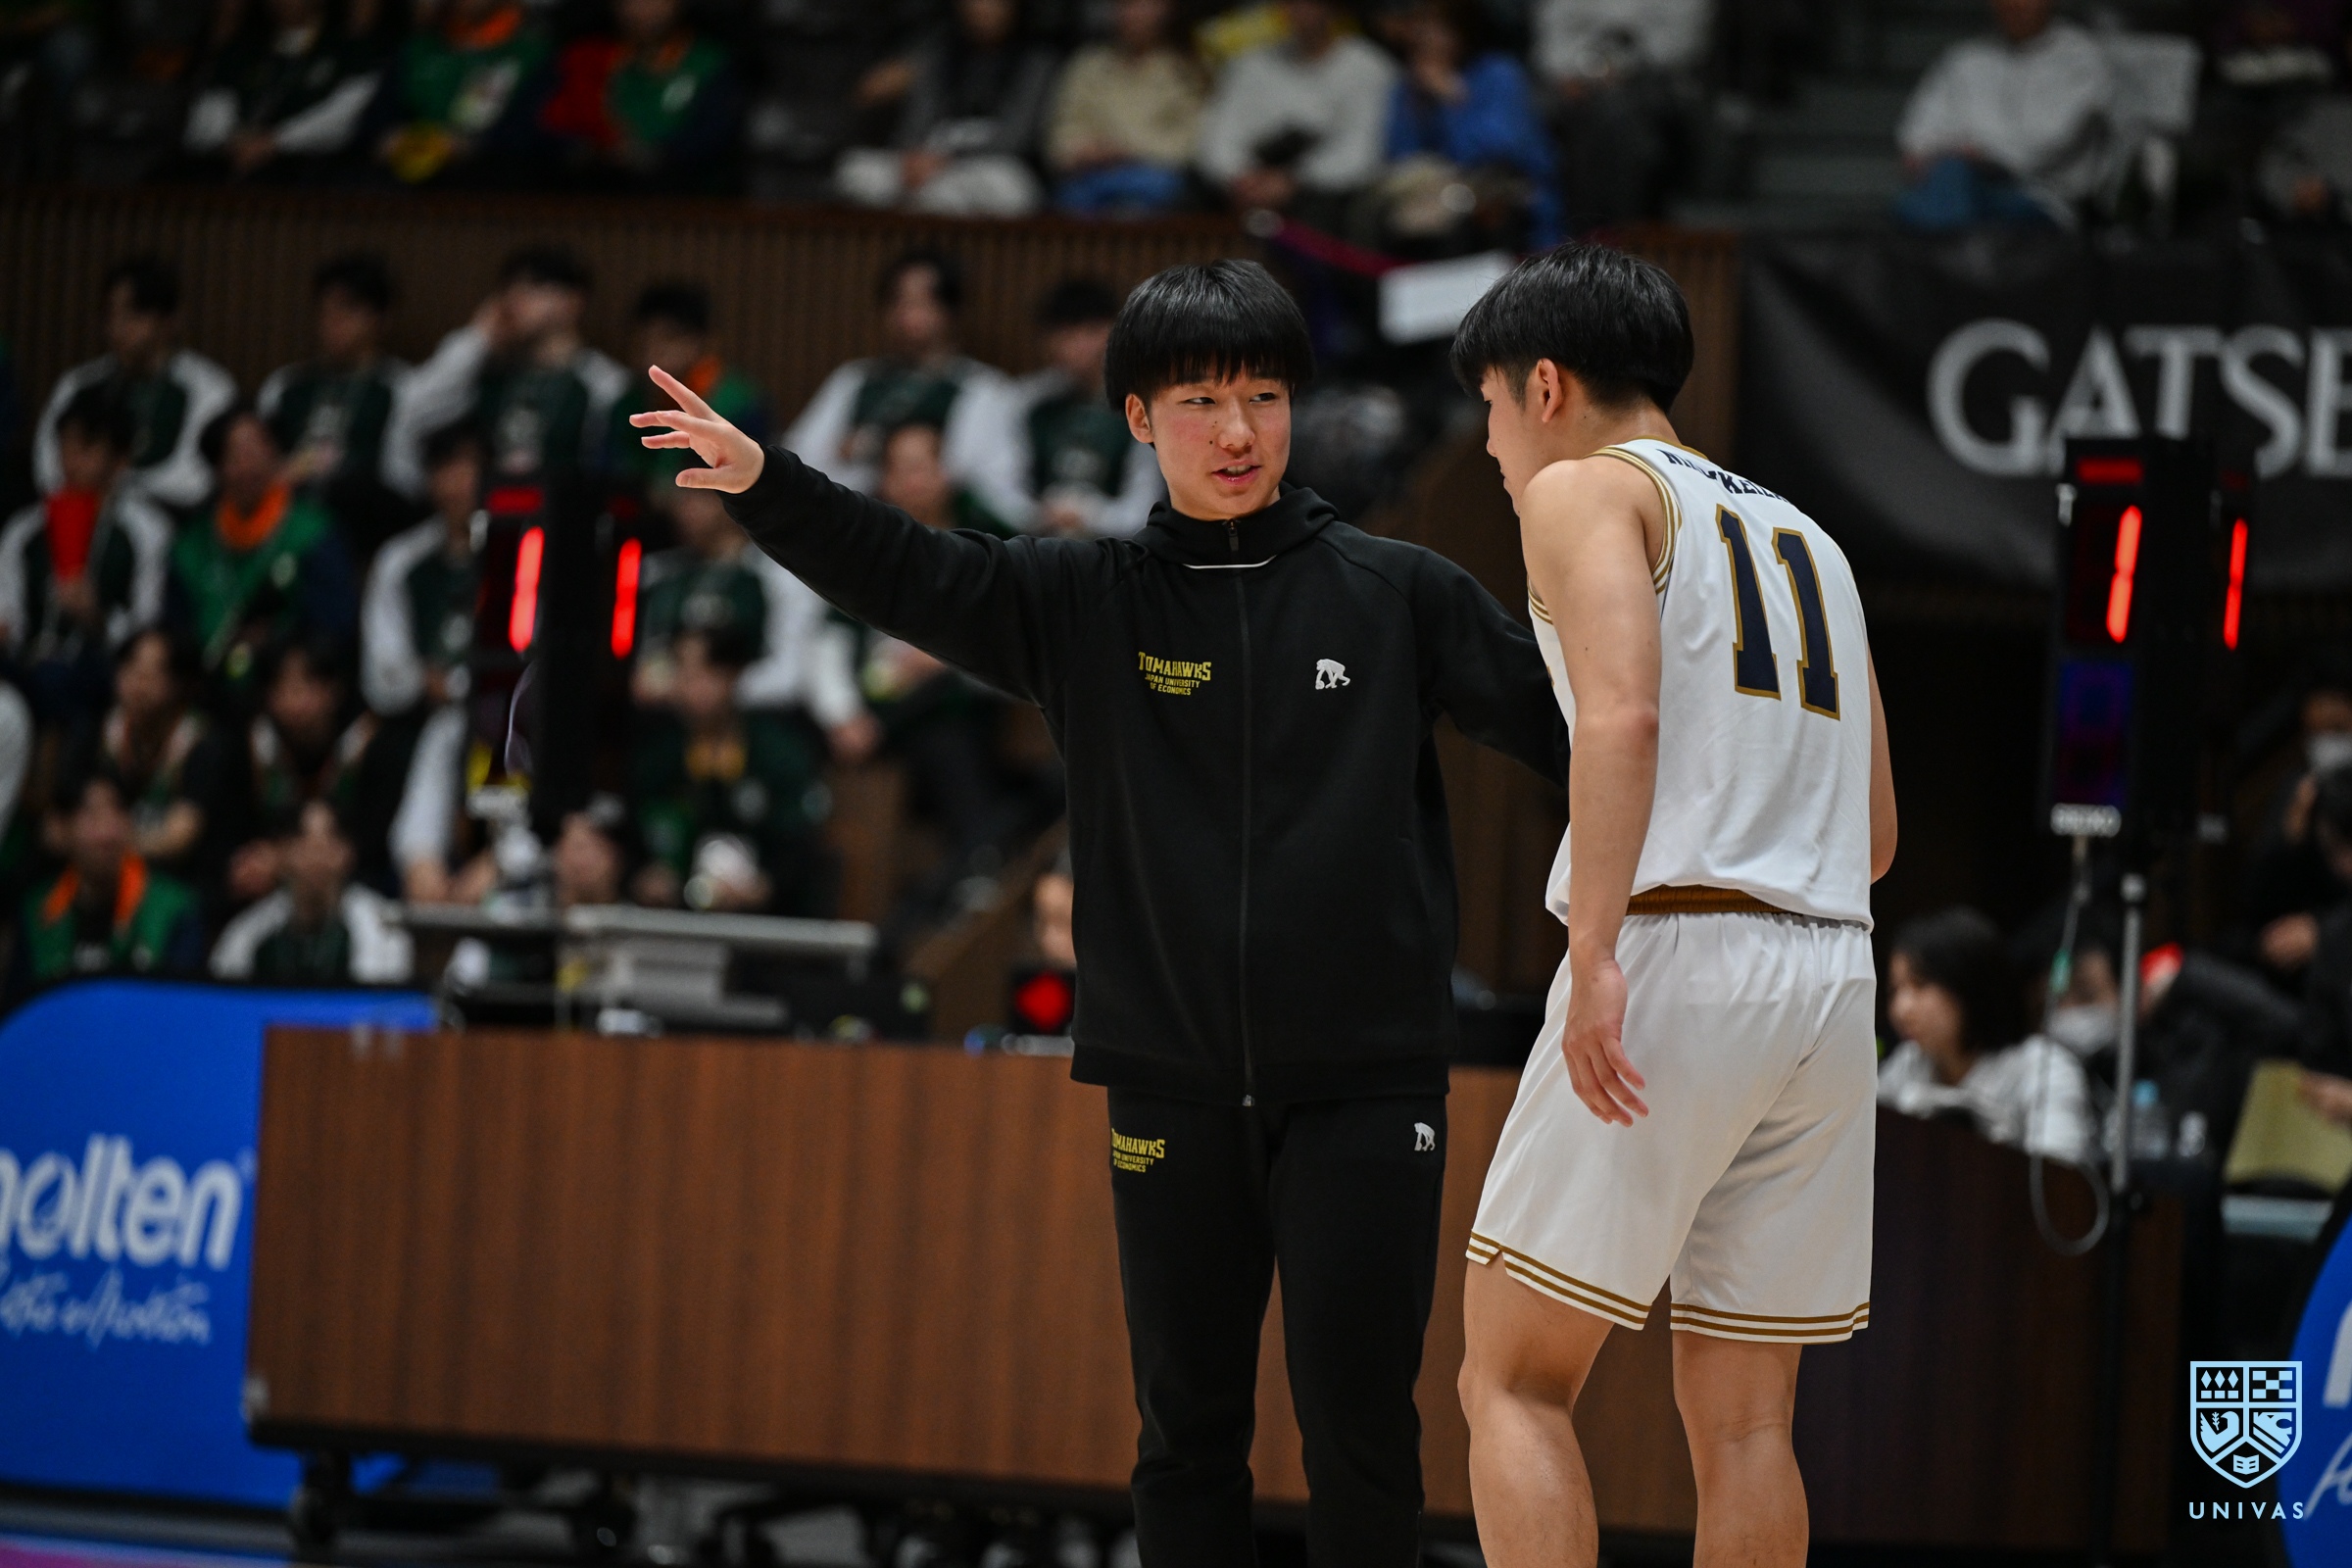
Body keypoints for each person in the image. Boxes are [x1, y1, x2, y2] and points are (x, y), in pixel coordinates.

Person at [634, 257, 1569, 1567]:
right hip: (1167, 1081)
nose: (1237, 431)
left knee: (1364, 1439)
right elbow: (906, 570)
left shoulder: (1398, 592)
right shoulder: (1083, 599)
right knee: (1184, 1439)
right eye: (1200, 401)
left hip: (1367, 1085)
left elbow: (1580, 731)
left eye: (1263, 397)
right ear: (1137, 417)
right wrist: (763, 482)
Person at [1448, 243, 1896, 1568]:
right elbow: (1877, 834)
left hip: (1677, 951)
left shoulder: (1583, 488)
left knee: (1512, 1378)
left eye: (1488, 410)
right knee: (1749, 1423)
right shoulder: (1812, 538)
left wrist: (1593, 950)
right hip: (1833, 975)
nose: (1490, 447)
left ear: (1543, 385)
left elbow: (1622, 717)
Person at [631, 484, 868, 758]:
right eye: (683, 498)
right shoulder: (663, 573)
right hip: (672, 727)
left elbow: (791, 672)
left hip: (765, 724)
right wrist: (679, 685)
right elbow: (647, 667)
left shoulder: (777, 574)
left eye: (701, 498)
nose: (687, 510)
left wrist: (719, 688)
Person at [782, 249, 1023, 517]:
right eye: (899, 302)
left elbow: (991, 485)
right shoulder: (854, 378)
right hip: (851, 518)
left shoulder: (981, 388)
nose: (908, 315)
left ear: (950, 311)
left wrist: (886, 452)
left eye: (923, 303)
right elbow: (800, 459)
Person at [384, 244, 627, 496]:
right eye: (509, 288)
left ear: (573, 301)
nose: (513, 300)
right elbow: (408, 415)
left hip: (566, 510)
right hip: (487, 510)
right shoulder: (486, 372)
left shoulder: (604, 383)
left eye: (532, 288)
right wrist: (478, 338)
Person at [0, 384, 172, 725]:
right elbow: (9, 611)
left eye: (87, 447)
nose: (71, 460)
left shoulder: (146, 531)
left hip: (102, 669)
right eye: (65, 446)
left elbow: (147, 626)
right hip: (28, 663)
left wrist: (97, 617)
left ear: (120, 460)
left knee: (60, 681)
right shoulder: (25, 528)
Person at [629, 625, 831, 915]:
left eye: (708, 673)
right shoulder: (657, 752)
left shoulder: (776, 750)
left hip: (764, 921)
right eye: (684, 674)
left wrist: (766, 885)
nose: (695, 688)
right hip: (671, 917)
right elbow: (634, 830)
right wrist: (644, 876)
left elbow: (800, 841)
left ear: (734, 675)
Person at [1876, 906, 2095, 1163]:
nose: (1901, 1009)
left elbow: (2057, 1176)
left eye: (1920, 985)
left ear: (1967, 985)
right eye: (1894, 990)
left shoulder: (2044, 1067)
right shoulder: (1906, 1064)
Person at [172, 406, 359, 703]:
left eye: (258, 450)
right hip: (206, 694)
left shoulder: (313, 532)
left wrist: (275, 643)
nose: (249, 465)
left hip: (289, 693)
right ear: (217, 468)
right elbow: (174, 631)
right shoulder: (192, 544)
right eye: (235, 456)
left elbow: (335, 627)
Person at [34, 255, 237, 514]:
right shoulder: (77, 384)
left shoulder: (209, 387)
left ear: (170, 321)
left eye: (132, 315)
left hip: (170, 517)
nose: (117, 329)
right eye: (110, 315)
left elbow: (194, 481)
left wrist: (120, 491)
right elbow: (48, 468)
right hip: (78, 510)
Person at [228, 634, 416, 906]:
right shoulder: (253, 747)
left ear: (334, 690)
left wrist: (288, 861)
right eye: (281, 687)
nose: (292, 702)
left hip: (359, 894)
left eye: (305, 686)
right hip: (269, 900)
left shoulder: (373, 746)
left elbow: (376, 846)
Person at [1893, 0, 2115, 229]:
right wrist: (1961, 154)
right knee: (1943, 184)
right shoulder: (1966, 59)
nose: (2013, 6)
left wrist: (1975, 152)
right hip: (1960, 184)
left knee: (1932, 205)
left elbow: (2049, 141)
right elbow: (1917, 136)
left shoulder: (2082, 58)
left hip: (2043, 198)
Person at [834, 0, 1058, 217]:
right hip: (931, 154)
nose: (982, 8)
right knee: (854, 171)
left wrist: (949, 159)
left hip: (987, 163)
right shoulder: (939, 55)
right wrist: (913, 155)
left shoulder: (1036, 62)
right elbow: (917, 120)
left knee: (1007, 190)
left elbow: (1017, 136)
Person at [259, 251, 410, 563]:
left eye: (348, 310)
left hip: (360, 521)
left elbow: (402, 479)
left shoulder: (401, 387)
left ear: (379, 319)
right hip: (284, 514)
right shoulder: (286, 385)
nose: (333, 322)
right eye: (325, 312)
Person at [1196, 0, 1397, 220]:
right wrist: (1240, 177)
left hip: (1327, 197)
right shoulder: (1250, 64)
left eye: (1311, 3)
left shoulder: (1370, 68)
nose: (1299, 10)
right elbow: (1219, 137)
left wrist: (1293, 182)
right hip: (1244, 189)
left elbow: (1359, 152)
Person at [1383, 0, 1560, 250]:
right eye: (1421, 30)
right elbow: (1401, 155)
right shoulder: (1410, 87)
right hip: (1438, 194)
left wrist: (1454, 99)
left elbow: (1503, 150)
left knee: (1476, 223)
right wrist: (1417, 107)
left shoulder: (1499, 73)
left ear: (1462, 31)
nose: (1428, 40)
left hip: (1510, 191)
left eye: (1438, 30)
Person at [66, 626, 234, 890]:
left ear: (180, 683)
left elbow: (180, 836)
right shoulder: (98, 729)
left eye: (153, 674)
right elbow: (55, 825)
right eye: (130, 669)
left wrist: (103, 844)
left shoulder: (203, 742)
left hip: (175, 878)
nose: (138, 684)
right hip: (101, 873)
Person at [1002, 278, 1162, 539]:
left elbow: (1143, 509)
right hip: (1036, 542)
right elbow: (1003, 486)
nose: (1077, 346)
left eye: (1090, 332)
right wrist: (1035, 514)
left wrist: (1089, 515)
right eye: (1065, 334)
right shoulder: (1028, 401)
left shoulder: (1141, 407)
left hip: (1116, 548)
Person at [17, 771, 205, 989]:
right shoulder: (37, 911)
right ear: (60, 827)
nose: (106, 833)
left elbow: (182, 998)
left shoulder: (175, 907)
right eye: (91, 815)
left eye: (118, 812)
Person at [1533, 0, 1708, 227]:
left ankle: (1624, 232)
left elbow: (1682, 44)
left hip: (1656, 84)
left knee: (1617, 116)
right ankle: (1585, 232)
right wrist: (1580, 71)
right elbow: (1551, 38)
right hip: (1576, 82)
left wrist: (1620, 66)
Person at [538, 0, 743, 192]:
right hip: (587, 196)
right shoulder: (586, 59)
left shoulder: (709, 63)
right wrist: (590, 151)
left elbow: (714, 139)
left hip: (684, 199)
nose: (644, 9)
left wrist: (650, 156)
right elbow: (541, 127)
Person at [211, 798, 413, 984]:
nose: (316, 860)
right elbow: (224, 992)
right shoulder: (250, 932)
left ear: (348, 853)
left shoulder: (383, 927)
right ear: (283, 852)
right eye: (304, 845)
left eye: (327, 845)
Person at [606, 281, 770, 502]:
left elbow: (758, 481)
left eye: (669, 338)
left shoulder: (740, 403)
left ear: (702, 341)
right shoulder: (630, 401)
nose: (654, 351)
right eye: (645, 339)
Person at [181, 0, 383, 180]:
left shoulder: (347, 50)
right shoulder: (245, 48)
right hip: (229, 168)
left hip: (309, 174)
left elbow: (344, 116)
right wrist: (232, 139)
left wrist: (276, 141)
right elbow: (206, 112)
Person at [362, 421, 483, 718]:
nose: (455, 484)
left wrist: (454, 686)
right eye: (443, 469)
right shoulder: (399, 560)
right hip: (416, 717)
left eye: (466, 468)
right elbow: (382, 674)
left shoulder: (517, 553)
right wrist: (423, 681)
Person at [364, 0, 552, 186]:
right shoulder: (418, 49)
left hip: (492, 184)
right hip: (402, 179)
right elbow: (375, 121)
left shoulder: (533, 55)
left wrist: (471, 146)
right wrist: (388, 138)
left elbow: (531, 136)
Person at [1045, 0, 1205, 215]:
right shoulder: (1087, 65)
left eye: (1143, 4)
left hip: (1158, 177)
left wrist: (1126, 150)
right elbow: (1060, 133)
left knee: (1153, 190)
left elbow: (1191, 142)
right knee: (1069, 199)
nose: (1133, 14)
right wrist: (1083, 151)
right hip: (1089, 175)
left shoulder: (1186, 69)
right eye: (1125, 4)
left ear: (1167, 10)